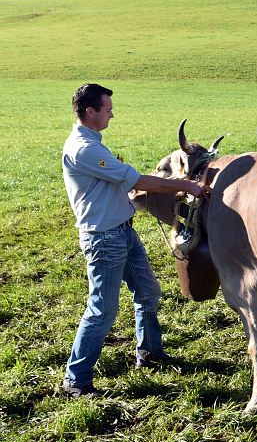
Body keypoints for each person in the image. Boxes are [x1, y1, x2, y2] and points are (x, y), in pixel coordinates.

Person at [61, 83, 211, 398]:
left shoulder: (93, 144)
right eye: (107, 109)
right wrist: (187, 185)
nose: (112, 114)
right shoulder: (84, 149)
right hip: (104, 238)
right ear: (90, 112)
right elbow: (138, 181)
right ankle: (76, 379)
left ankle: (149, 352)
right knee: (102, 309)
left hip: (123, 233)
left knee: (148, 292)